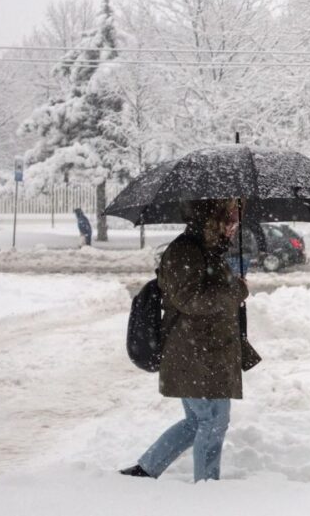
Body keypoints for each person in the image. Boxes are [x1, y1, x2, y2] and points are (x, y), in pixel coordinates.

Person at [120, 199, 250, 482]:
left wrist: (232, 286)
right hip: (193, 352)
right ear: (213, 218)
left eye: (237, 220)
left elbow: (209, 295)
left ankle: (146, 469)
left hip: (209, 352)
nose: (234, 226)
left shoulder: (209, 250)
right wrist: (234, 291)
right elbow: (190, 300)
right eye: (230, 219)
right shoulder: (185, 252)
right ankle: (206, 487)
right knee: (213, 422)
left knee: (198, 422)